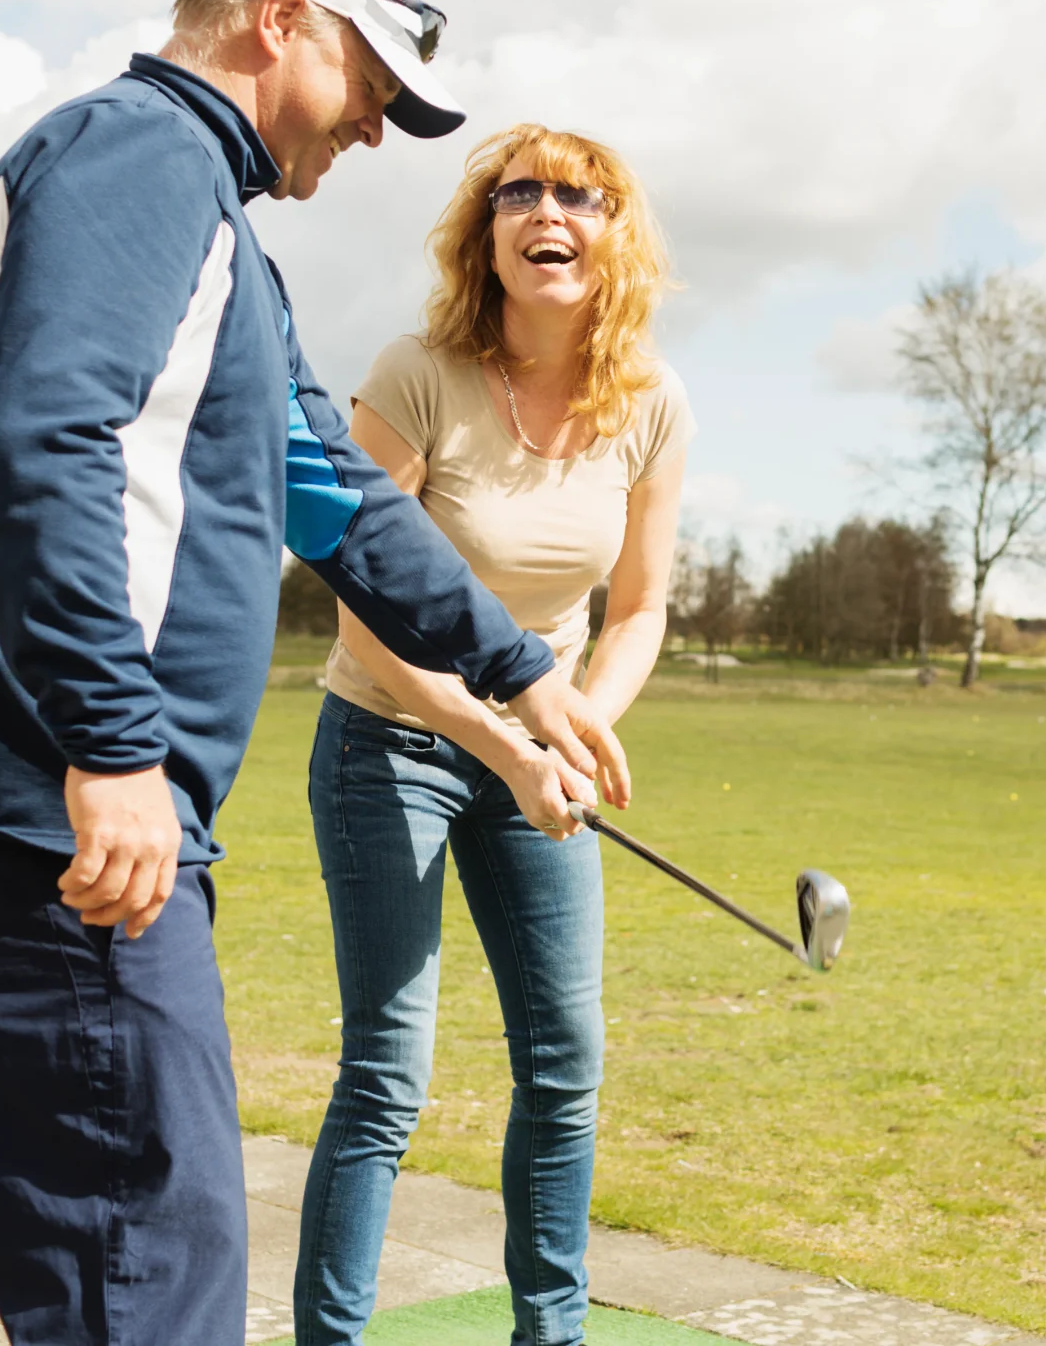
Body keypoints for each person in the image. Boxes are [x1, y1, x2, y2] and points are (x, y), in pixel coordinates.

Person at [0, 0, 630, 1346]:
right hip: (47, 831)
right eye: (370, 81)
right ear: (279, 19)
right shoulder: (144, 159)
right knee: (152, 1270)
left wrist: (519, 669)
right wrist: (112, 746)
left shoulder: (205, 217)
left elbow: (329, 492)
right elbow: (40, 441)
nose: (372, 130)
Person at [297, 125, 689, 1346]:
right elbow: (364, 605)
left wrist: (574, 736)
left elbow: (639, 608)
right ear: (487, 234)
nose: (545, 212)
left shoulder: (652, 402)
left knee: (565, 1068)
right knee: (386, 1076)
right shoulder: (415, 373)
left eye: (577, 195)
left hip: (536, 758)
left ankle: (550, 1337)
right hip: (391, 741)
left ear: (615, 235)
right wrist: (512, 745)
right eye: (518, 193)